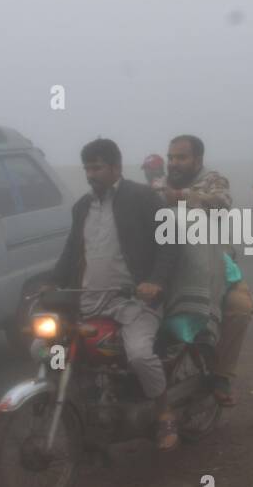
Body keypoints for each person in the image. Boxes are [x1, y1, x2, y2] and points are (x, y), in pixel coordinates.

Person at [47, 139, 182, 450]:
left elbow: (169, 241)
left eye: (97, 167)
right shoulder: (82, 207)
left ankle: (164, 413)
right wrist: (52, 282)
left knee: (139, 355)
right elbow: (71, 252)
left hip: (136, 303)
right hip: (92, 302)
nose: (90, 174)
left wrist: (155, 281)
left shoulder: (143, 197)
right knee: (52, 351)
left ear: (116, 168)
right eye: (86, 168)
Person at [162, 134, 253, 406]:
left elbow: (221, 202)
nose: (174, 163)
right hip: (170, 265)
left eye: (181, 157)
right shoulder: (159, 185)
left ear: (197, 159)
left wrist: (178, 197)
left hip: (216, 263)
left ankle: (221, 374)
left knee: (240, 307)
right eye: (171, 158)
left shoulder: (213, 181)